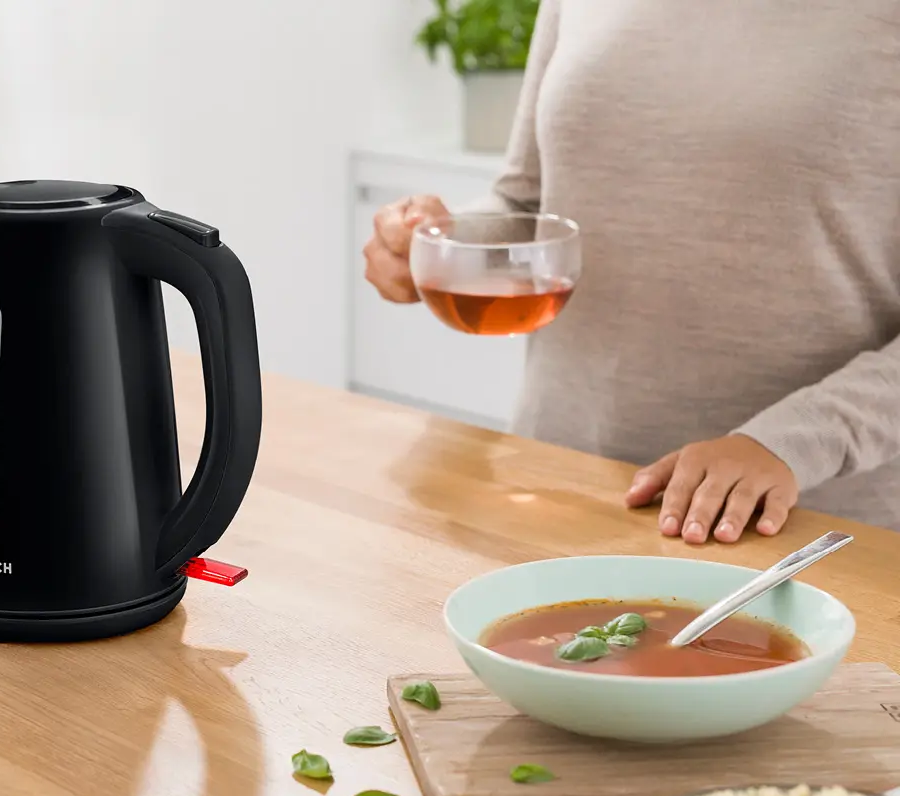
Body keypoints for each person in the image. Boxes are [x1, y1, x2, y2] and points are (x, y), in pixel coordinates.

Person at [364, 0, 900, 543]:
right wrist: (436, 243)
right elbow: (527, 204)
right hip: (557, 488)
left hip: (796, 529)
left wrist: (791, 444)